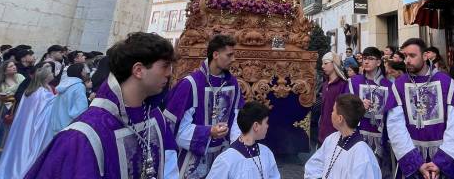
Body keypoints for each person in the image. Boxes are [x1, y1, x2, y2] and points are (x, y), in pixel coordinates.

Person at [26, 32, 179, 179]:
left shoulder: (154, 116)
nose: (169, 73)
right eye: (165, 66)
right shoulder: (82, 136)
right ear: (138, 70)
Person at [385, 38, 454, 179]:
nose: (407, 61)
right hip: (412, 155)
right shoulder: (399, 85)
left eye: (412, 56)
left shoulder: (446, 82)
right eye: (405, 56)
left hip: (444, 153)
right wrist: (416, 163)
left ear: (425, 56)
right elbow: (395, 127)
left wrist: (440, 162)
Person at [165, 34, 243, 177]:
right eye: (229, 55)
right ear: (216, 55)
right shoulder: (190, 84)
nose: (234, 59)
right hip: (192, 157)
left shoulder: (233, 84)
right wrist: (208, 132)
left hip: (223, 156)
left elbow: (237, 118)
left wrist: (235, 148)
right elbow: (174, 128)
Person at [0, 63, 56, 179]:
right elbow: (51, 107)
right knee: (31, 149)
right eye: (50, 73)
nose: (53, 74)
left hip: (26, 126)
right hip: (36, 126)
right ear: (46, 77)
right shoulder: (41, 93)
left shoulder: (32, 91)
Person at [305, 94, 382, 179]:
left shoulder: (363, 155)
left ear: (340, 119)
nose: (331, 113)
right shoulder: (332, 139)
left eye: (333, 111)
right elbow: (314, 165)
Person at [346, 46, 393, 179]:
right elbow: (344, 107)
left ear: (379, 62)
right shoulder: (353, 82)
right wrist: (359, 105)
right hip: (358, 136)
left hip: (381, 139)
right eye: (364, 58)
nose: (366, 62)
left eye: (370, 59)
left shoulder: (389, 86)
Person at [206, 101, 279, 179]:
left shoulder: (266, 152)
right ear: (256, 126)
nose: (267, 126)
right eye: (266, 122)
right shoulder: (226, 159)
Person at [42, 63, 90, 148]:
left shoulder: (64, 85)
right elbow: (80, 111)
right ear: (81, 72)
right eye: (85, 69)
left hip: (58, 125)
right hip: (71, 127)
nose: (87, 72)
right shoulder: (79, 86)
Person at [316, 51, 349, 144]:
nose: (322, 66)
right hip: (323, 127)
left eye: (326, 63)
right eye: (322, 64)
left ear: (334, 64)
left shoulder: (343, 84)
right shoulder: (325, 84)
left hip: (336, 130)